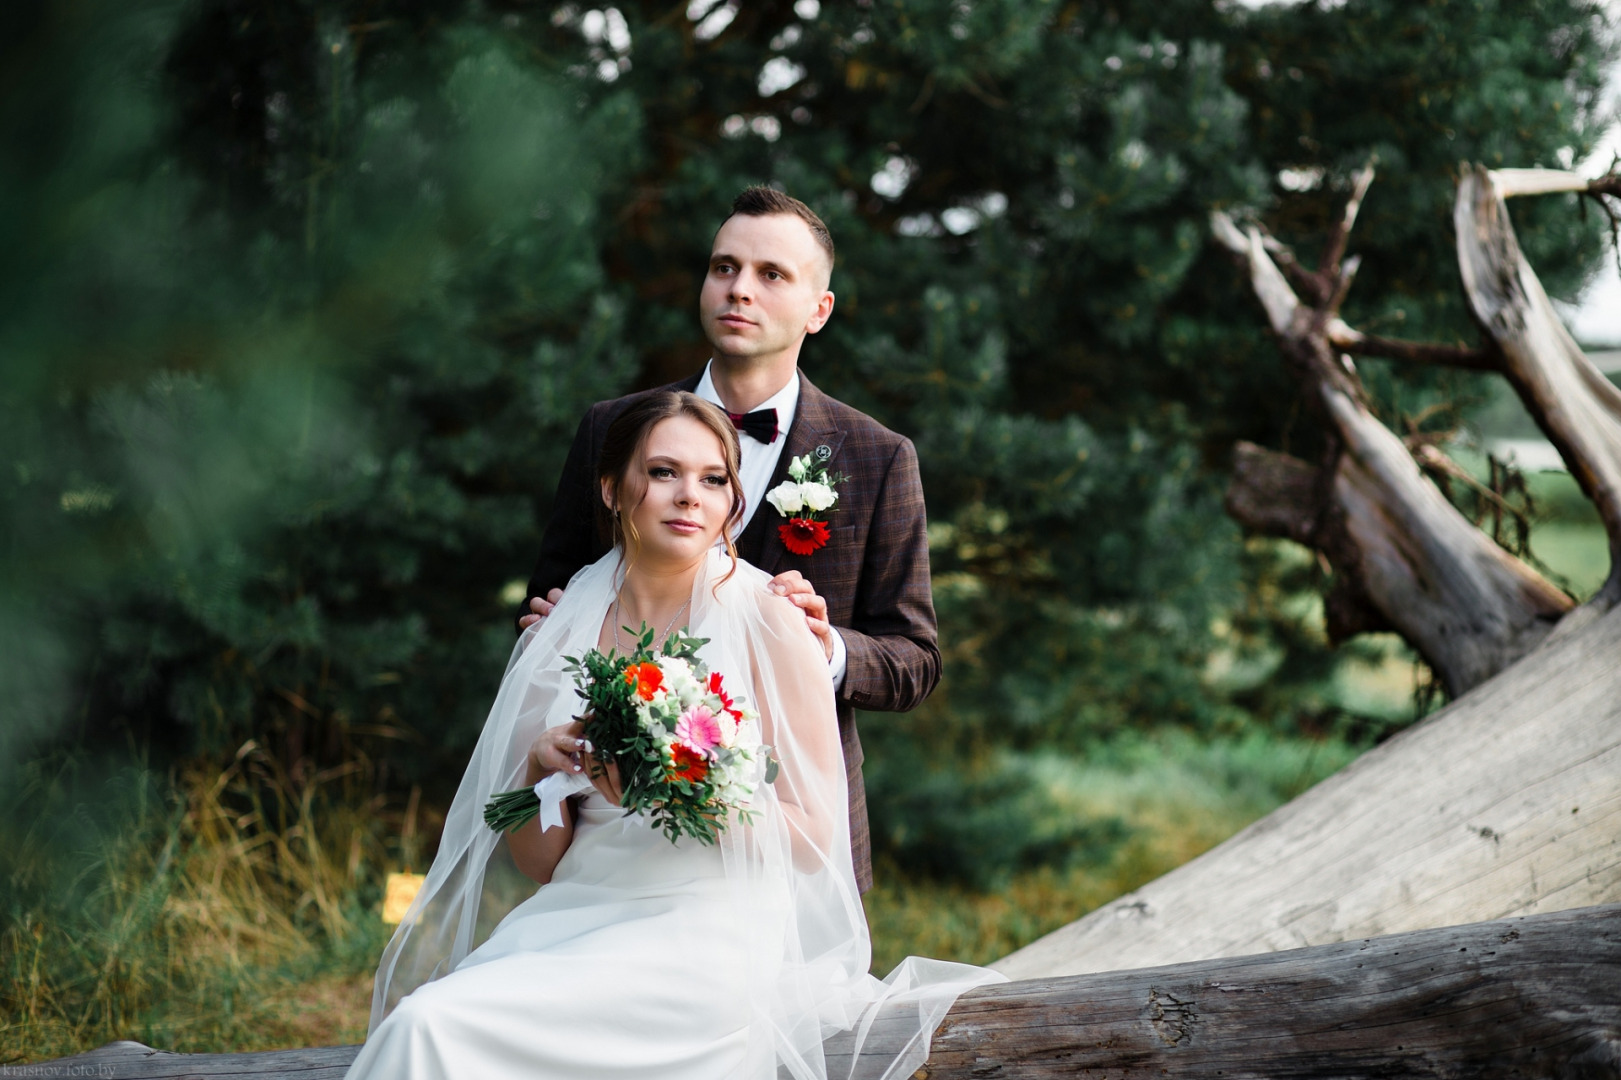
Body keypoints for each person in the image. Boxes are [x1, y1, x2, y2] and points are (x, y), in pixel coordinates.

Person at [349, 392, 1000, 1080]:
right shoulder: (558, 627)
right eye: (663, 472)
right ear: (611, 489)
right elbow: (538, 863)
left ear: (731, 502)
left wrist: (682, 787)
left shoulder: (772, 621)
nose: (689, 495)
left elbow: (814, 841)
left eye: (712, 479)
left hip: (708, 936)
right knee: (425, 1023)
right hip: (572, 917)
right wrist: (540, 769)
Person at [518, 187, 937, 892]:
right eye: (723, 267)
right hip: (614, 836)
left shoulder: (876, 457)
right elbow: (554, 599)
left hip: (793, 847)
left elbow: (913, 660)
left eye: (771, 274)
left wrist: (823, 647)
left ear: (818, 310)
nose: (739, 289)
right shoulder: (612, 430)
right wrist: (549, 637)